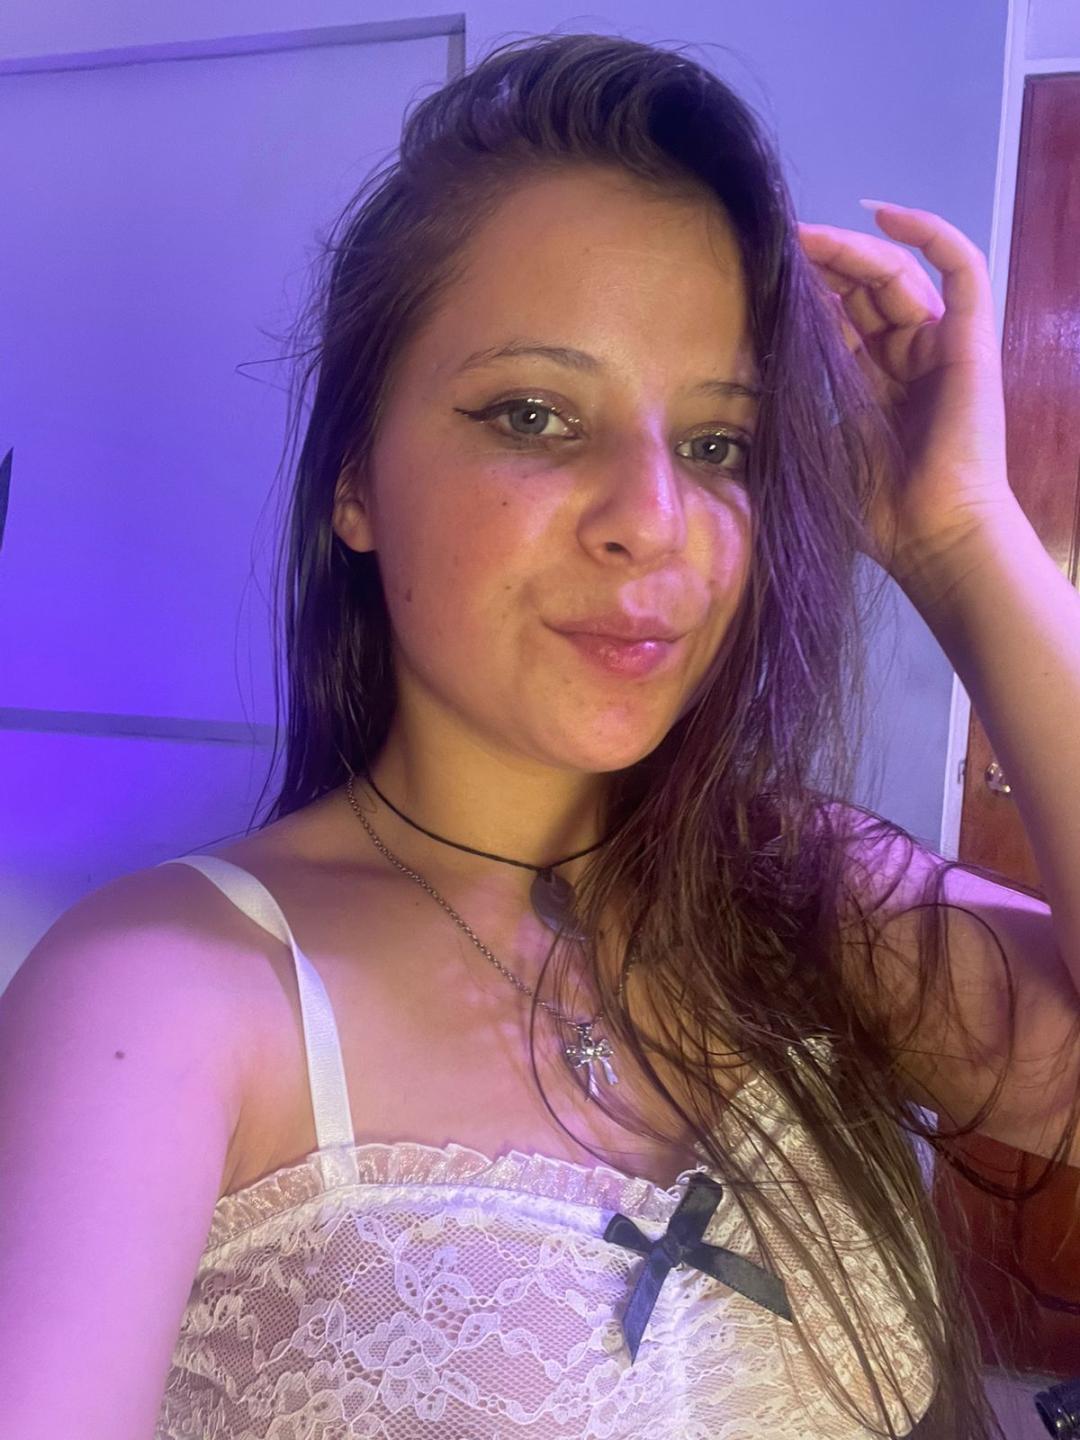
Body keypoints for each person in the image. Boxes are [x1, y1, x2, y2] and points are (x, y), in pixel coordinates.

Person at [2, 30, 1078, 1440]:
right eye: (535, 414)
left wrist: (962, 540)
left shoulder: (809, 901)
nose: (654, 519)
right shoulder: (164, 997)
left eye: (719, 445)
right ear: (354, 483)